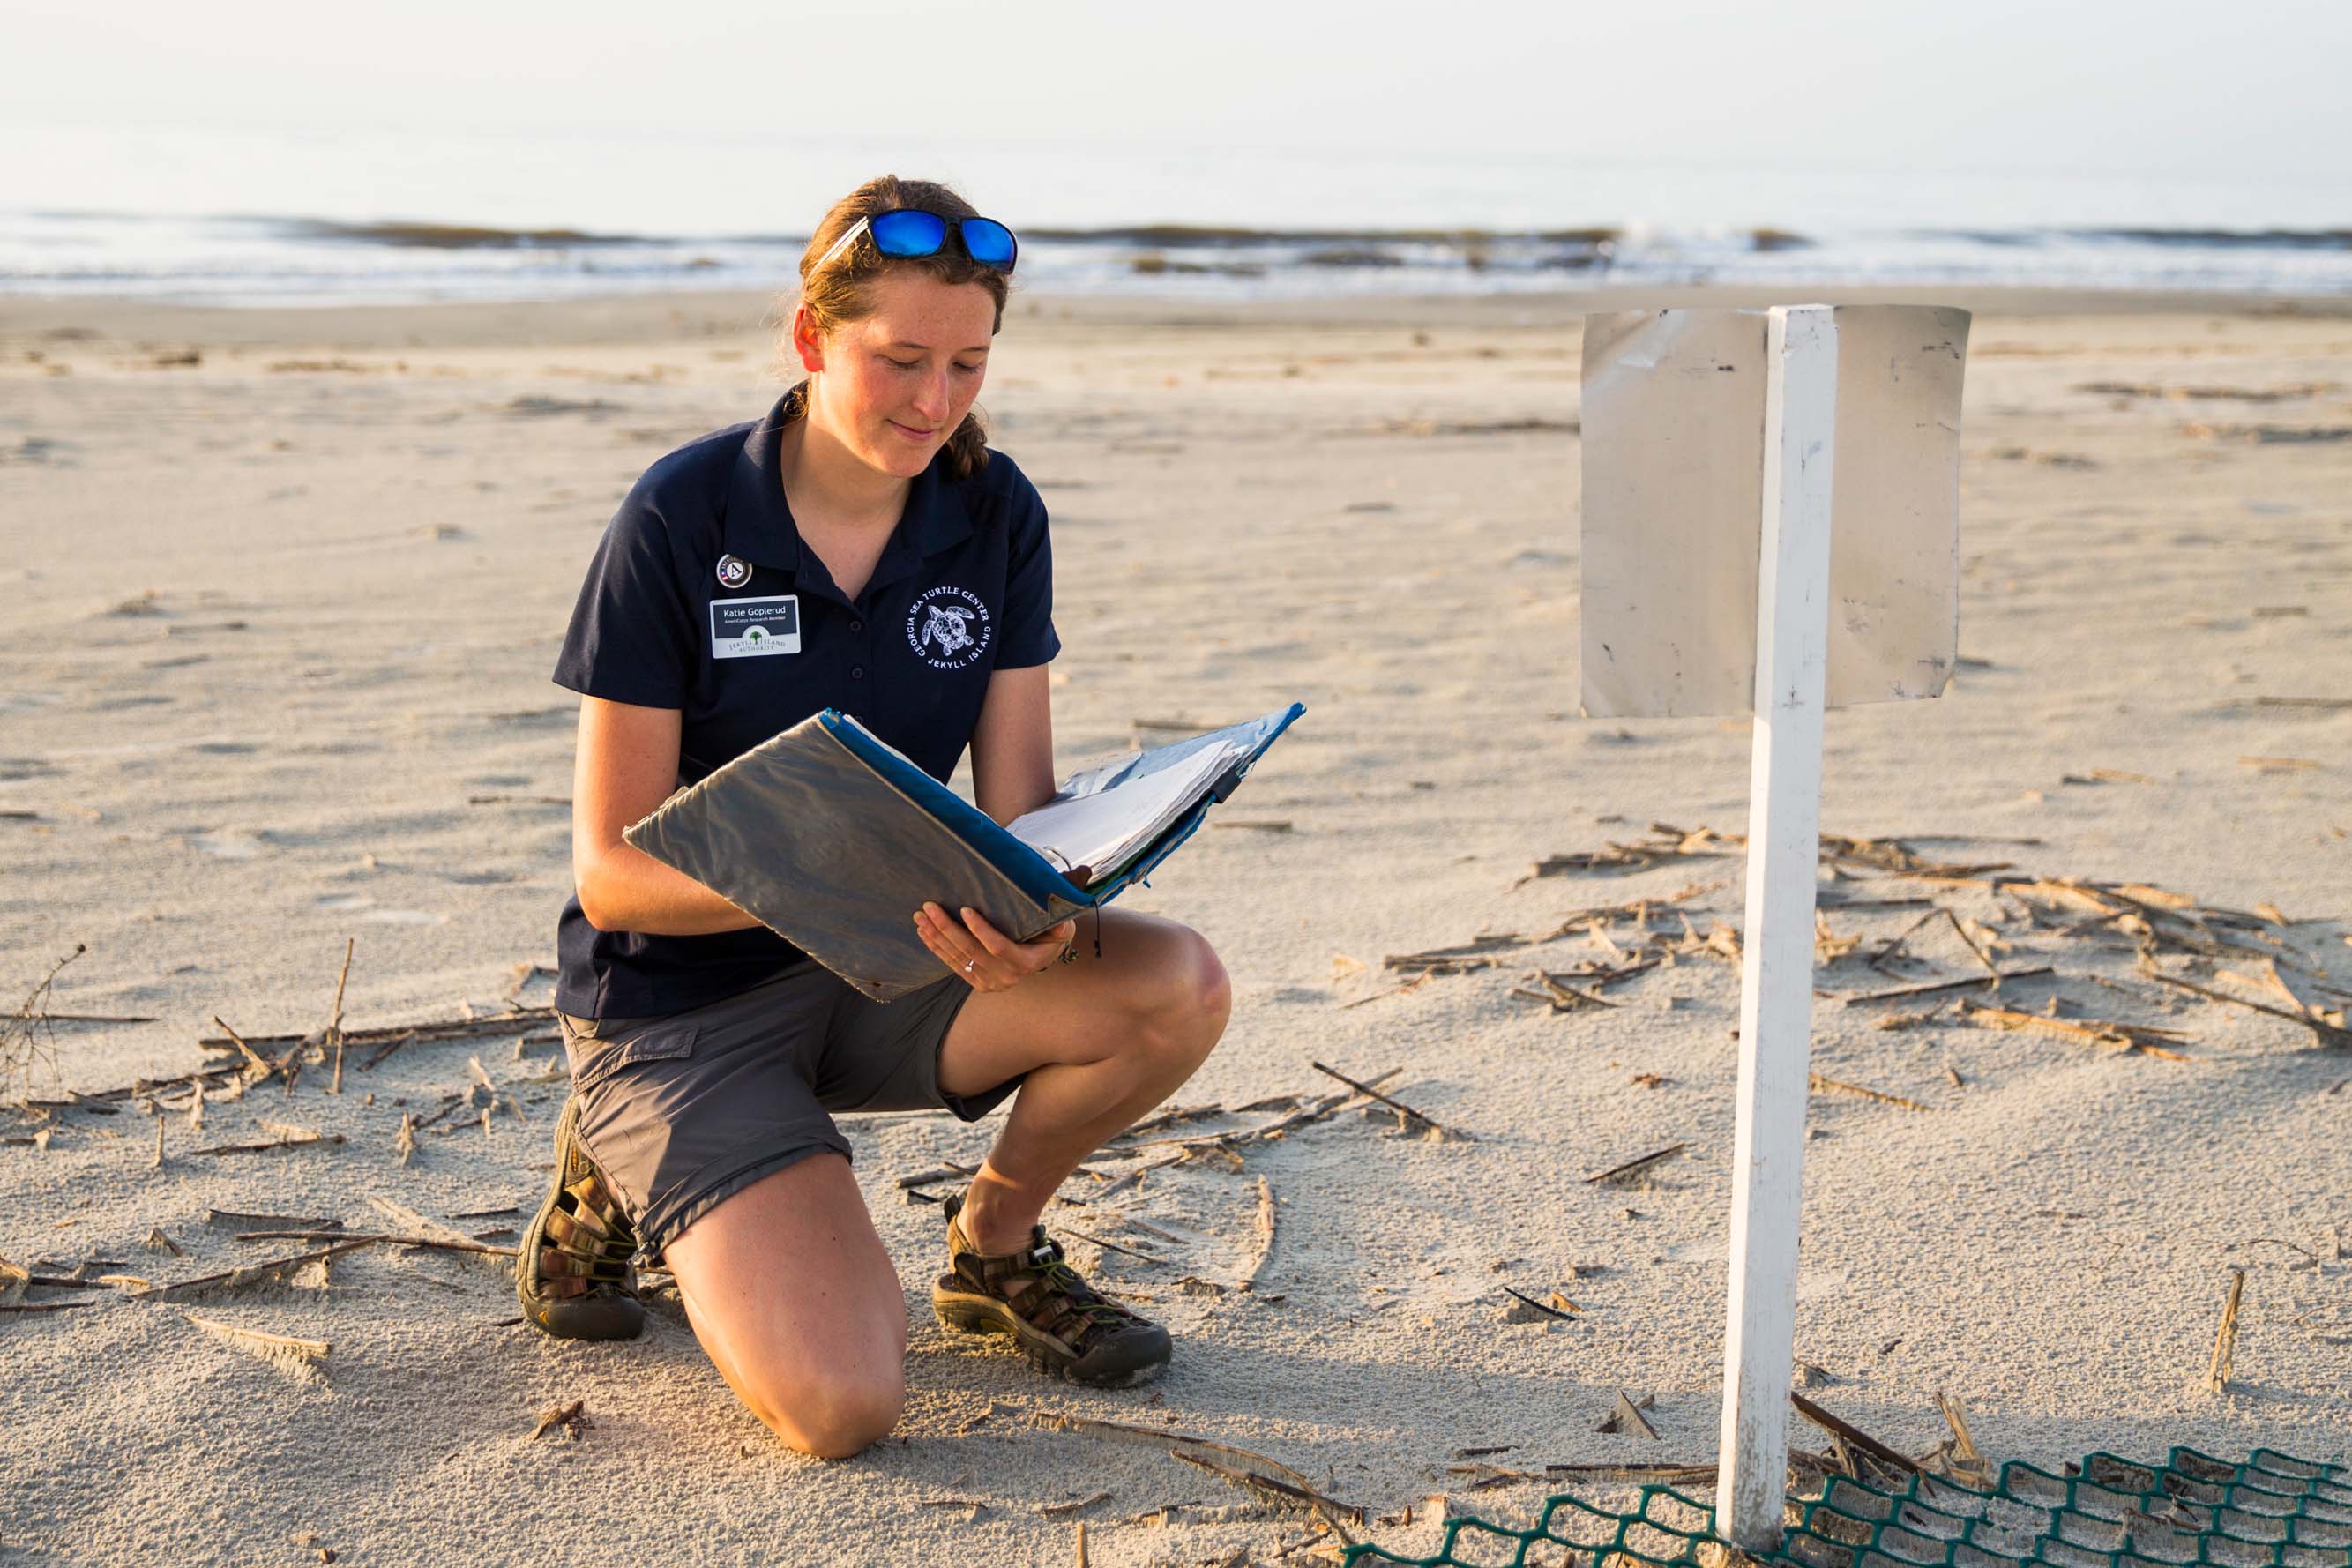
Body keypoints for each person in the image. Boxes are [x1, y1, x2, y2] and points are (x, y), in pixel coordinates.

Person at [519, 176, 1233, 1459]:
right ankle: (608, 1151)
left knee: (1175, 981)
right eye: (899, 360)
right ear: (809, 338)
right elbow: (614, 874)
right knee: (845, 1408)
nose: (935, 403)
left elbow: (1021, 805)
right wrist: (838, 882)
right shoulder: (679, 518)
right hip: (684, 1012)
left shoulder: (996, 509)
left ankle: (994, 1247)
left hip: (898, 964)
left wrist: (1053, 894)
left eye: (968, 363)